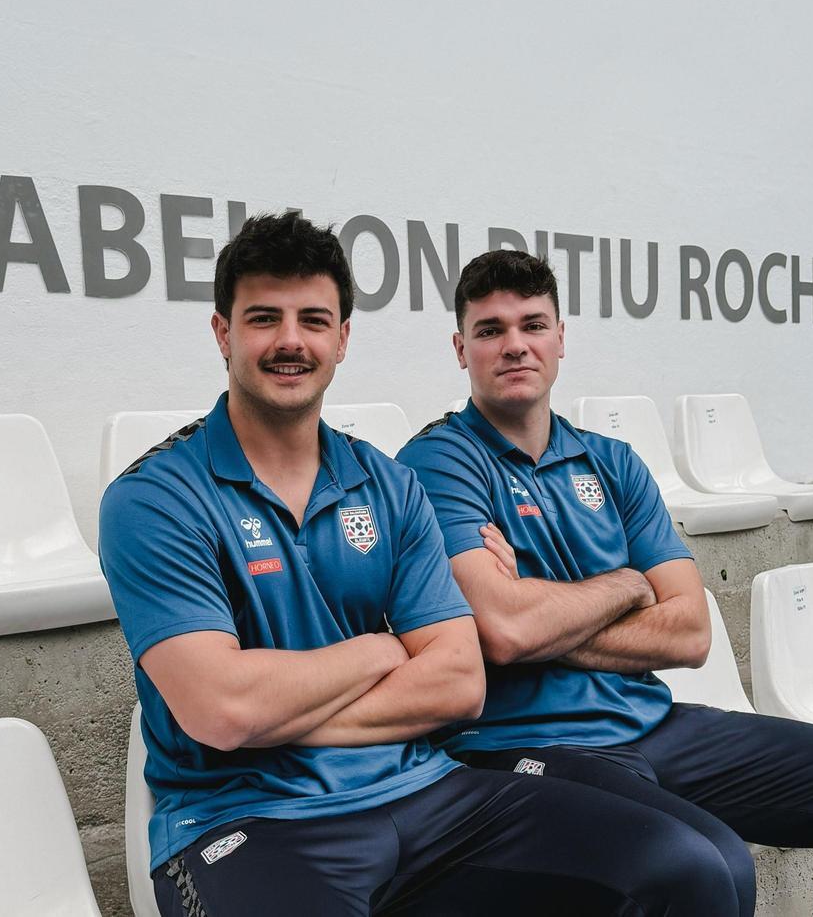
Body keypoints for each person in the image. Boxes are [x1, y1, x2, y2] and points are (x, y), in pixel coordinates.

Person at [99, 214, 750, 916]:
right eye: (264, 318)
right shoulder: (155, 497)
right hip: (246, 819)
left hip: (424, 790)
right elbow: (224, 711)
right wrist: (382, 648)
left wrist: (274, 713)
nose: (291, 340)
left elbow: (459, 684)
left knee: (687, 869)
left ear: (342, 339)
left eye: (313, 320)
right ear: (223, 333)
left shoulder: (387, 483)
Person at [396, 248, 813, 917]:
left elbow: (690, 631)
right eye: (490, 330)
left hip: (654, 723)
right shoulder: (437, 461)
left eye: (533, 325)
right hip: (527, 745)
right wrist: (627, 585)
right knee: (709, 865)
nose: (514, 346)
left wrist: (539, 607)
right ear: (461, 348)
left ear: (561, 338)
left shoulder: (613, 462)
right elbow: (503, 632)